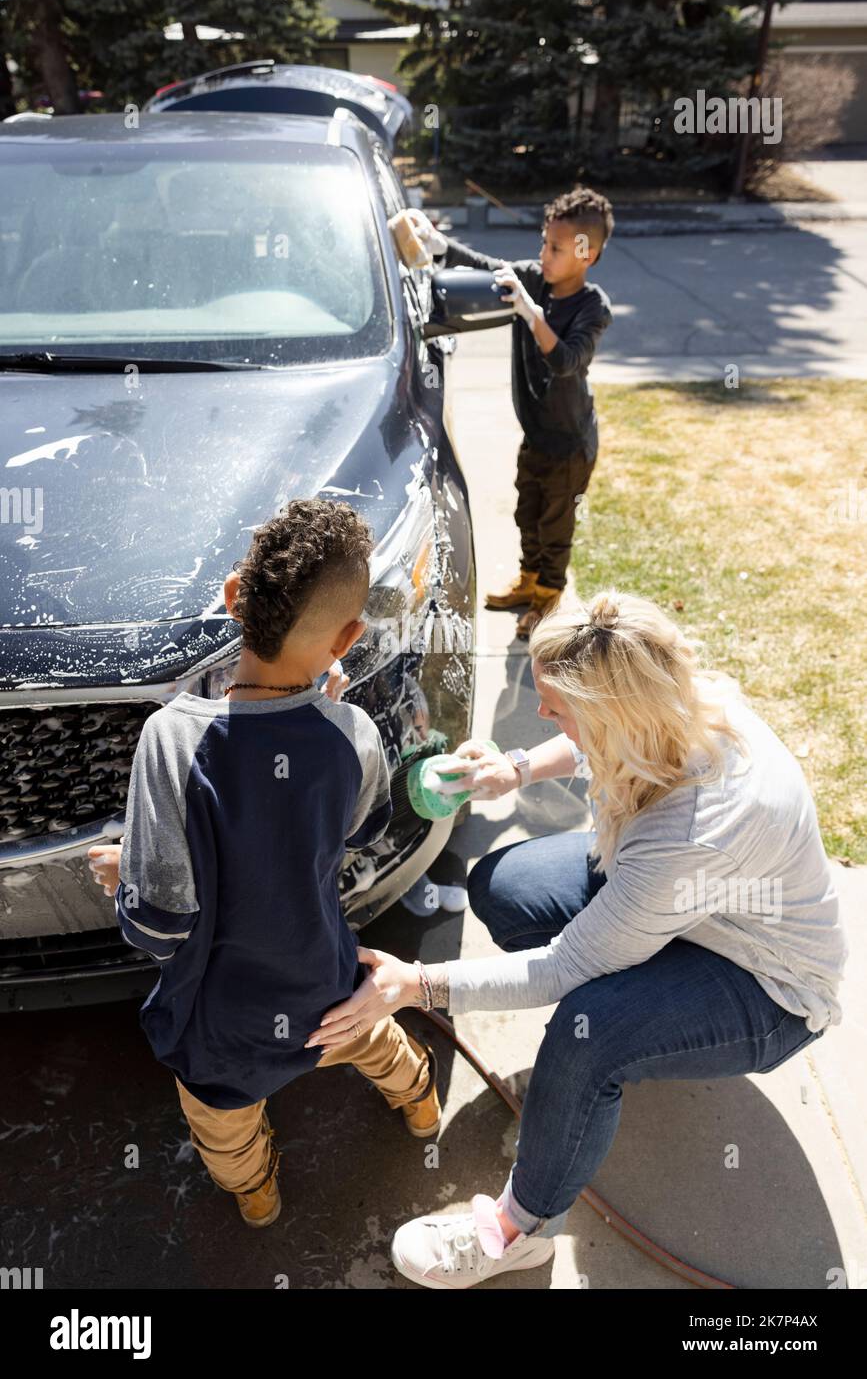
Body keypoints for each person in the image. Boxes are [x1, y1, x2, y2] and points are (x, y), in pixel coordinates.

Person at [306, 588, 849, 1288]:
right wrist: (517, 769)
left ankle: (522, 1228)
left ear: (610, 716)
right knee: (502, 887)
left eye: (556, 707)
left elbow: (564, 967)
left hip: (766, 985)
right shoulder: (675, 699)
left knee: (584, 1033)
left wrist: (418, 985)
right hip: (689, 913)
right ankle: (630, 1036)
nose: (540, 714)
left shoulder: (692, 833)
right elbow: (591, 739)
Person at [87, 498, 441, 1229]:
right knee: (376, 1042)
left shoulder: (170, 741)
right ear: (347, 636)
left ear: (231, 598)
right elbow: (364, 828)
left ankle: (256, 1195)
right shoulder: (352, 732)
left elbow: (159, 927)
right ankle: (420, 1106)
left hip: (224, 1023)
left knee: (223, 1124)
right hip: (325, 985)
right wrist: (330, 718)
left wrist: (124, 878)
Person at [409, 187, 614, 639]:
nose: (544, 254)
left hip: (570, 444)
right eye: (544, 242)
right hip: (537, 436)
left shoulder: (592, 307)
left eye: (555, 248)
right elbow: (489, 271)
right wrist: (443, 248)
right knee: (527, 513)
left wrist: (530, 312)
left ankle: (548, 602)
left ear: (587, 253)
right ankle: (528, 582)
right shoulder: (535, 280)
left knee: (555, 526)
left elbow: (565, 362)